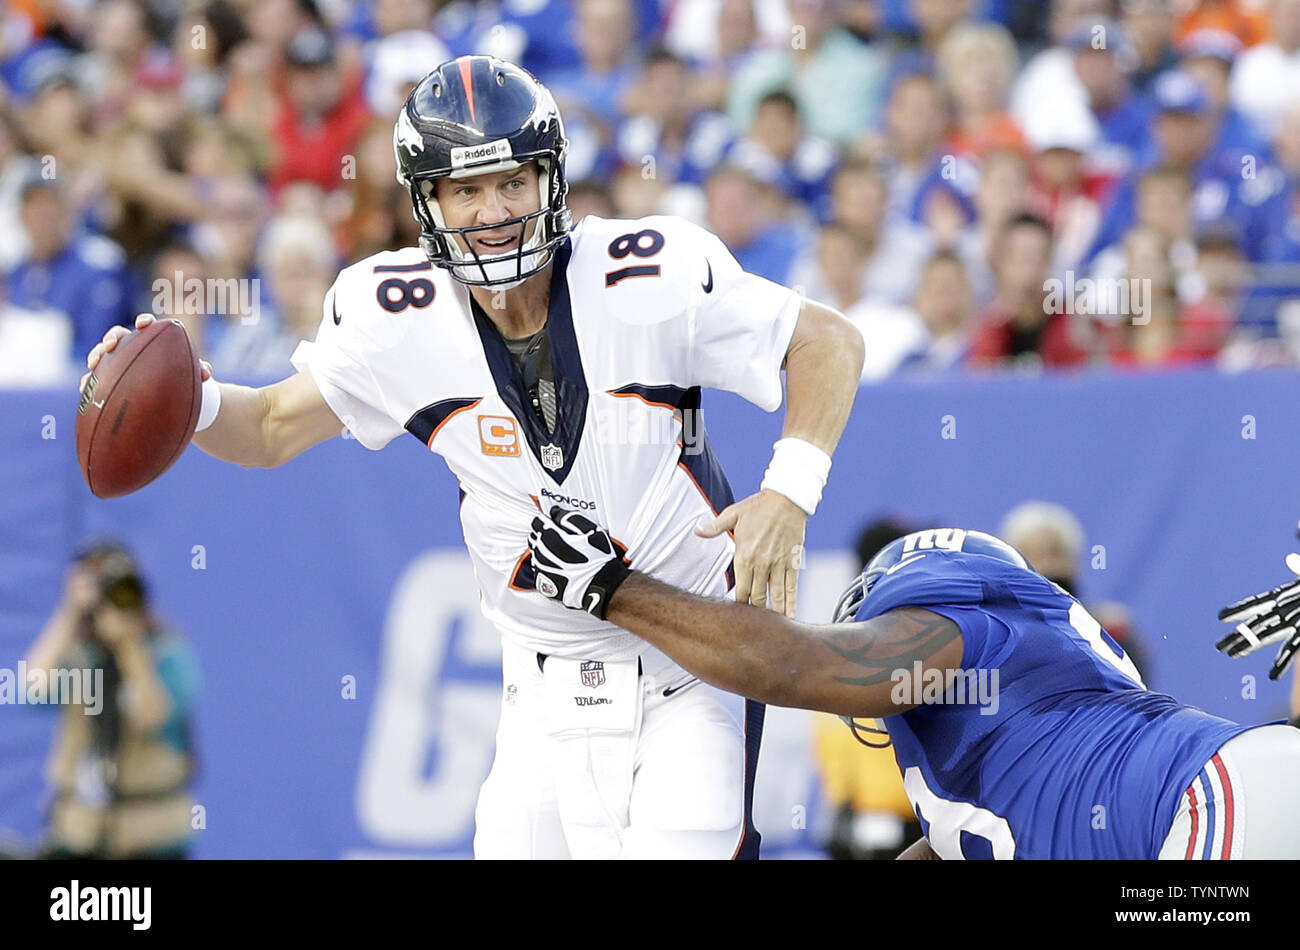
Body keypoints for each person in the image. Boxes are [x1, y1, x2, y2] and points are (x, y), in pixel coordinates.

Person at [83, 56, 865, 859]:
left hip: (690, 668)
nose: (493, 211)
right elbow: (273, 425)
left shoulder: (646, 272)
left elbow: (826, 341)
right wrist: (191, 401)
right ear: (428, 202)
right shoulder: (397, 316)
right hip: (540, 686)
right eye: (466, 190)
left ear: (549, 181)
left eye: (511, 183)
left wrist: (788, 492)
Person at [524, 514, 1300, 858]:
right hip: (1221, 797)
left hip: (1206, 805)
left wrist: (618, 591)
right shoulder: (1025, 715)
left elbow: (807, 667)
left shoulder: (966, 628)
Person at [23, 540, 200, 859]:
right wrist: (69, 613)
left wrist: (128, 644)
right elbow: (31, 692)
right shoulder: (78, 654)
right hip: (78, 833)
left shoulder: (168, 653)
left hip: (151, 840)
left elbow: (154, 717)